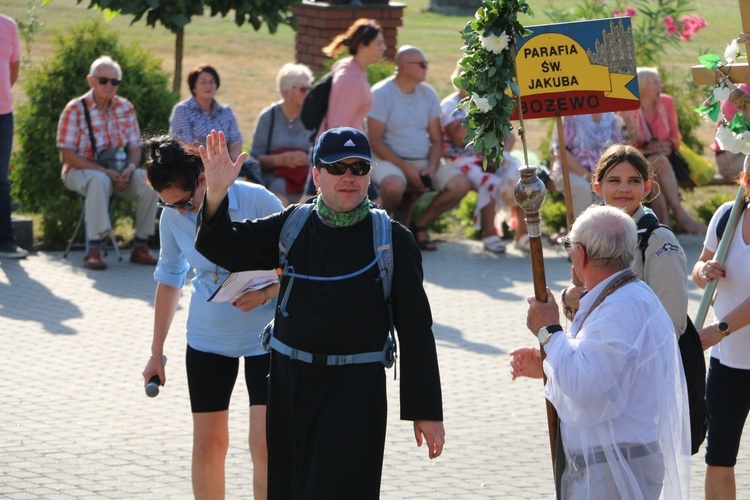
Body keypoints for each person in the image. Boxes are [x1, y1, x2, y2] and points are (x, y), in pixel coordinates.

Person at [195, 127, 445, 498]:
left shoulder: (392, 239)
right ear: (316, 175)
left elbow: (416, 331)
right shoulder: (292, 225)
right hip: (288, 385)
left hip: (355, 393)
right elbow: (222, 247)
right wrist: (216, 193)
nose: (349, 176)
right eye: (337, 167)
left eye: (359, 168)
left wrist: (426, 411)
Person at [141, 135, 283, 499]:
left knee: (266, 443)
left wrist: (266, 293)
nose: (182, 211)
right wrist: (156, 353)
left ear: (203, 178)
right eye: (168, 204)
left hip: (265, 336)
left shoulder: (257, 199)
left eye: (186, 201)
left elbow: (297, 266)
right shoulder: (173, 217)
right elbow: (169, 280)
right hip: (207, 338)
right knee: (209, 445)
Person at [526, 204, 690, 499]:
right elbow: (607, 369)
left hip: (614, 469)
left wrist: (550, 331)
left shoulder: (620, 307)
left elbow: (586, 387)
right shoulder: (625, 296)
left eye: (569, 247)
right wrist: (546, 361)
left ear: (581, 254)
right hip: (614, 462)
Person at [512, 145, 689, 376]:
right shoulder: (589, 233)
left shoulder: (657, 241)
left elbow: (670, 325)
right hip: (596, 364)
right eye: (614, 180)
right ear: (597, 186)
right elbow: (580, 300)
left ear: (646, 188)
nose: (623, 189)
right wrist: (569, 298)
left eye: (634, 181)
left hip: (639, 372)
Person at [57, 55, 159, 270]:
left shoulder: (125, 108)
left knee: (148, 180)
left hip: (120, 171)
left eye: (114, 82)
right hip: (80, 171)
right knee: (99, 179)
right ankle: (94, 248)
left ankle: (141, 245)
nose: (109, 85)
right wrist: (104, 171)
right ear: (91, 81)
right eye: (103, 80)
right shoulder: (74, 109)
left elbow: (134, 147)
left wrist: (130, 168)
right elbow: (67, 155)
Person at [368, 45, 470, 251]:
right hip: (388, 160)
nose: (427, 68)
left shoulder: (428, 94)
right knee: (395, 184)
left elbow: (436, 139)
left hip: (423, 161)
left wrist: (432, 168)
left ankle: (419, 225)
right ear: (404, 66)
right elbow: (375, 141)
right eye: (422, 64)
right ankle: (380, 234)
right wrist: (408, 170)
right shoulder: (381, 93)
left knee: (460, 184)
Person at [691, 168, 750, 500]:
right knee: (719, 459)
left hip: (722, 340)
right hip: (728, 364)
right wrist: (704, 270)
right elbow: (699, 268)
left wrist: (721, 329)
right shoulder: (727, 214)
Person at [440, 65, 527, 253]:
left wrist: (499, 156)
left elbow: (509, 137)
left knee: (520, 179)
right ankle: (490, 234)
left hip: (488, 156)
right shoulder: (451, 104)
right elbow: (458, 137)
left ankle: (522, 233)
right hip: (460, 158)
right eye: (466, 78)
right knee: (491, 183)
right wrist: (482, 118)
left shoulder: (485, 102)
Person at [620, 67, 706, 234]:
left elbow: (674, 135)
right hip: (638, 158)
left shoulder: (667, 102)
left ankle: (663, 226)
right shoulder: (628, 107)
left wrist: (668, 145)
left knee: (657, 162)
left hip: (666, 158)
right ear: (643, 87)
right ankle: (677, 216)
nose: (661, 86)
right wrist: (648, 148)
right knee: (654, 163)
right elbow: (626, 142)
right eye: (655, 83)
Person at [169, 64, 261, 185]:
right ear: (193, 87)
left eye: (212, 82)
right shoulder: (183, 110)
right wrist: (211, 165)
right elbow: (185, 144)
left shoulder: (226, 111)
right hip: (194, 168)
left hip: (226, 166)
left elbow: (236, 140)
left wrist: (230, 164)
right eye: (203, 82)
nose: (208, 86)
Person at [250, 63, 314, 206]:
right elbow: (255, 157)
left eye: (309, 88)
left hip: (307, 182)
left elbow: (320, 154)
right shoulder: (268, 117)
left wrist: (307, 159)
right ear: (287, 92)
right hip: (275, 183)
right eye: (303, 89)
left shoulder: (312, 117)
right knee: (280, 211)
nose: (308, 93)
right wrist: (280, 160)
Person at [549, 112, 621, 219]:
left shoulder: (611, 117)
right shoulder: (571, 116)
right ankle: (581, 233)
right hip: (570, 171)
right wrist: (587, 176)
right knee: (582, 188)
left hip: (602, 174)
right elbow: (561, 151)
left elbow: (618, 150)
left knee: (618, 187)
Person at [0, 13, 25, 259]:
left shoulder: (8, 25)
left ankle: (6, 242)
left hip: (3, 115)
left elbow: (12, 72)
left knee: (1, 180)